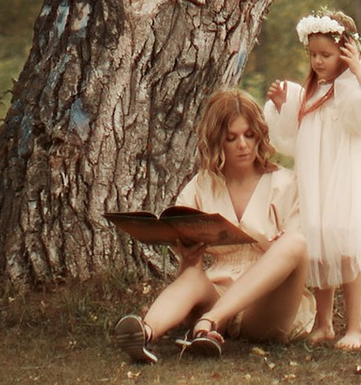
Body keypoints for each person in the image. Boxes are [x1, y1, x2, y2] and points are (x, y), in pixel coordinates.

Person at [114, 86, 313, 365]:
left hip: (265, 307)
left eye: (249, 135)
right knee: (194, 277)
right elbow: (190, 274)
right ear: (217, 140)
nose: (243, 145)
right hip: (217, 291)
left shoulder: (286, 183)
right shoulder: (202, 185)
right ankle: (145, 332)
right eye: (231, 138)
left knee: (295, 243)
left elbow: (299, 252)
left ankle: (209, 323)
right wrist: (188, 259)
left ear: (260, 135)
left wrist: (278, 243)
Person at [263, 10, 361, 352]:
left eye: (326, 55)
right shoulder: (312, 94)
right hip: (317, 176)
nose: (318, 61)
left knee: (346, 245)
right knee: (318, 240)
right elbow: (290, 137)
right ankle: (324, 321)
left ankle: (355, 326)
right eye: (313, 54)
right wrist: (282, 104)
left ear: (345, 51)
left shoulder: (353, 89)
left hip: (346, 176)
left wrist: (358, 68)